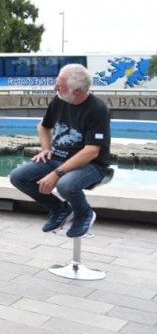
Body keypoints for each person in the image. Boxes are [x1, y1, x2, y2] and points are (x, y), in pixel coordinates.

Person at [9, 63, 110, 238]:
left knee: (66, 185)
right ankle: (60, 209)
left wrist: (56, 173)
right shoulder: (60, 99)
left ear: (77, 91)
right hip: (58, 158)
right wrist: (46, 149)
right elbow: (43, 126)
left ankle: (84, 213)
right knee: (18, 177)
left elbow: (91, 152)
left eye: (60, 86)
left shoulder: (97, 110)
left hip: (91, 165)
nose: (55, 87)